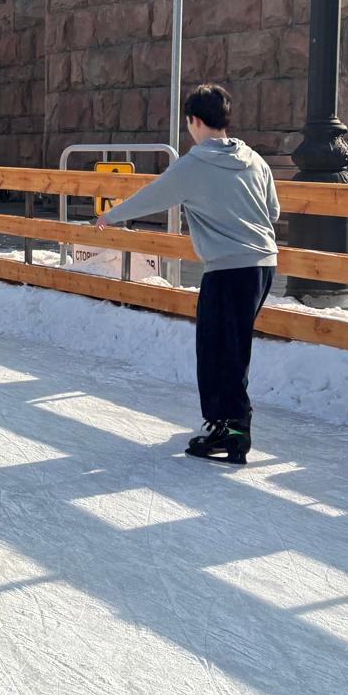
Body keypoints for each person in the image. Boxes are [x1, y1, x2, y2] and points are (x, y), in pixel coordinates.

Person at [97, 84, 279, 464]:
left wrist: (109, 216)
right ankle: (230, 422)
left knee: (216, 349)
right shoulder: (254, 159)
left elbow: (151, 197)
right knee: (233, 346)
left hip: (228, 268)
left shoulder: (193, 166)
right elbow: (273, 211)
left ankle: (230, 428)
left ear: (194, 121)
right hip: (263, 265)